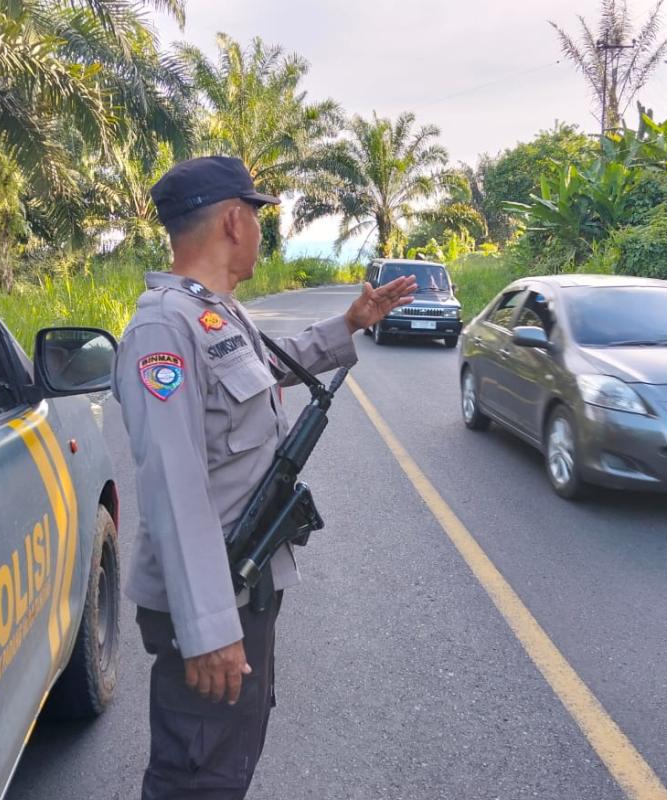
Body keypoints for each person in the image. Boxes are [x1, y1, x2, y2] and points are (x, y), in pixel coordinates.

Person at [112, 155, 416, 800]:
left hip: (243, 580)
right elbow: (172, 485)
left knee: (227, 758)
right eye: (255, 214)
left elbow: (264, 374)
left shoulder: (215, 312)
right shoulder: (163, 328)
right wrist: (207, 628)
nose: (258, 229)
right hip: (212, 593)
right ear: (231, 221)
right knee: (197, 776)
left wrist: (351, 323)